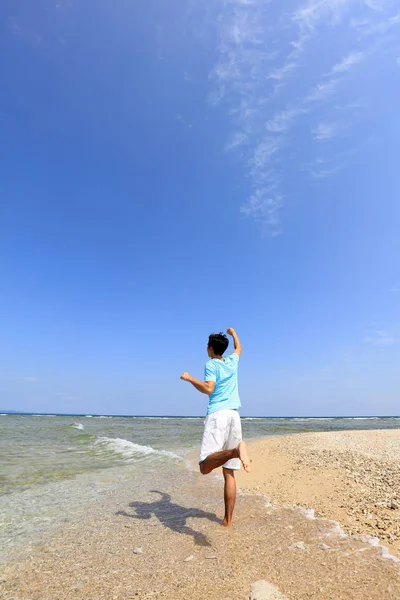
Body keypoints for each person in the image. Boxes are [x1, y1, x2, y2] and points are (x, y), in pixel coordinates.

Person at [180, 327, 250, 527]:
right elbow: (239, 348)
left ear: (210, 349)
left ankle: (236, 451)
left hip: (218, 416)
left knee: (203, 467)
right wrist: (234, 333)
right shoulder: (231, 362)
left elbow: (209, 388)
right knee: (229, 473)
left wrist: (189, 379)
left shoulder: (211, 364)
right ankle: (228, 521)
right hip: (234, 416)